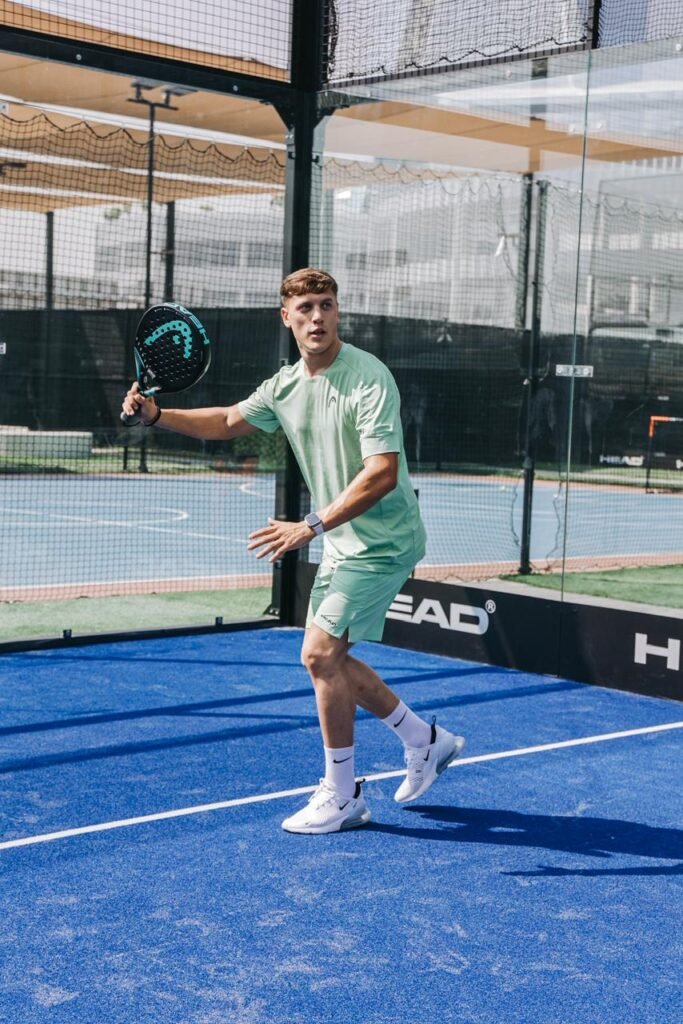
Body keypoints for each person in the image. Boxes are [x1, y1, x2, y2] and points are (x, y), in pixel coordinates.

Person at [122, 268, 465, 834]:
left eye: (326, 305)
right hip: (342, 541)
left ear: (338, 312)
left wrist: (311, 525)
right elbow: (227, 420)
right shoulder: (285, 385)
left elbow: (382, 473)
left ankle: (343, 794)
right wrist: (157, 416)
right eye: (305, 308)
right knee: (330, 659)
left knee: (319, 656)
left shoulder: (368, 377)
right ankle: (423, 740)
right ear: (287, 318)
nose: (317, 317)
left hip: (383, 543)